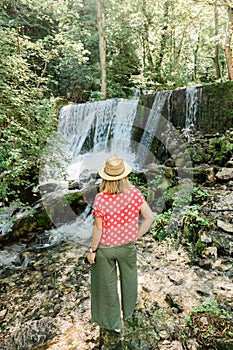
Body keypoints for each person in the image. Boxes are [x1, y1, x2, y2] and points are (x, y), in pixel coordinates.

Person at [87, 153, 154, 332]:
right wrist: (135, 236)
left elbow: (98, 229)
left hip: (106, 249)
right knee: (130, 278)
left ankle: (113, 323)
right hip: (127, 247)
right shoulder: (135, 194)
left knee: (107, 285)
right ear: (125, 175)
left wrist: (92, 250)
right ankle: (129, 312)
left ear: (106, 177)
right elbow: (149, 218)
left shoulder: (100, 198)